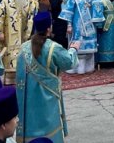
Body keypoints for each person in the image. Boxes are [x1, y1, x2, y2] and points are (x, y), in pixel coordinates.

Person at [16, 11, 80, 143]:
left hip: (28, 100)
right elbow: (69, 62)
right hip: (47, 98)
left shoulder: (23, 48)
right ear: (49, 28)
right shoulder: (53, 48)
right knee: (48, 125)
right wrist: (74, 49)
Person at [0, 0, 38, 84]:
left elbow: (31, 16)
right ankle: (9, 80)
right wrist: (0, 32)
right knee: (10, 57)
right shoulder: (7, 1)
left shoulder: (28, 0)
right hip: (9, 35)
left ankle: (22, 77)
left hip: (23, 34)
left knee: (23, 55)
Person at [58, 0, 104, 75]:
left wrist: (93, 6)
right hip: (78, 26)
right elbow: (68, 11)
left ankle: (89, 67)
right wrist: (69, 25)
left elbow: (99, 9)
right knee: (78, 48)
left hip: (91, 25)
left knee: (90, 49)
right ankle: (77, 68)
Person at [97, 0, 114, 67]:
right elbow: (99, 14)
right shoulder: (102, 1)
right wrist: (99, 26)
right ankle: (104, 60)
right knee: (105, 42)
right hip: (106, 25)